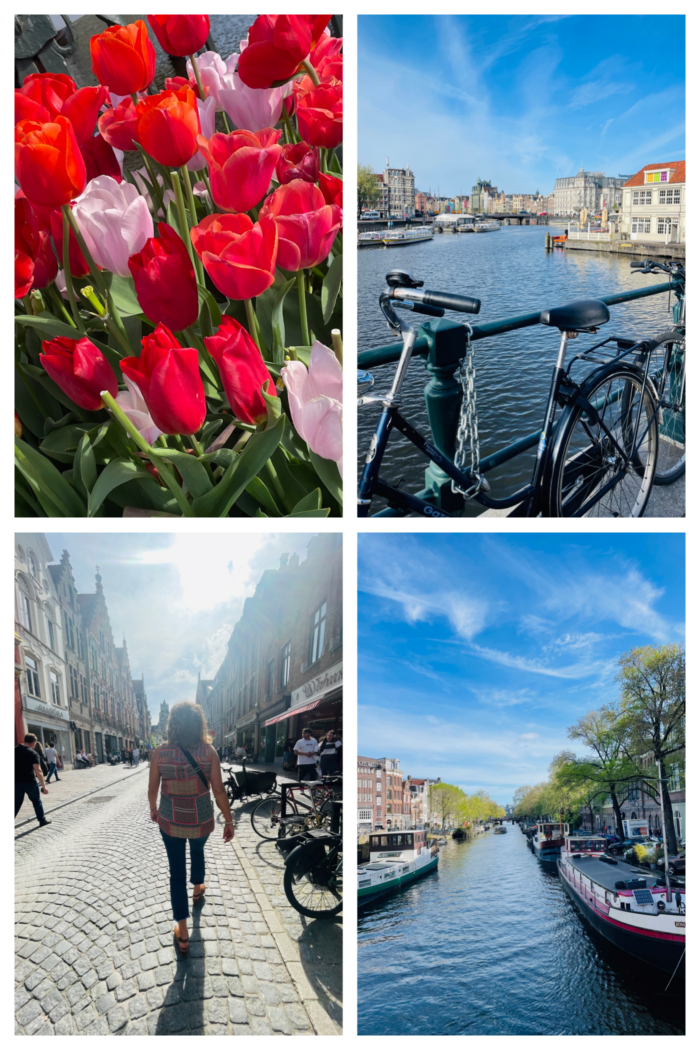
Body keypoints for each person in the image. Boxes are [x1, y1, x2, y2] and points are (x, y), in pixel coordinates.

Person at [148, 701, 234, 957]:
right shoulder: (209, 752)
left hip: (171, 819)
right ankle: (198, 889)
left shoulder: (159, 753)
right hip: (201, 819)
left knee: (176, 872)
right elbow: (218, 790)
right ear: (200, 724)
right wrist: (228, 821)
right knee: (197, 851)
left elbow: (153, 788)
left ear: (172, 724)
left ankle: (182, 932)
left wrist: (153, 808)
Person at [15, 733, 51, 826]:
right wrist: (44, 786)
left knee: (16, 803)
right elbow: (38, 771)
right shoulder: (33, 753)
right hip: (30, 782)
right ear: (34, 743)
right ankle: (42, 820)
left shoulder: (14, 750)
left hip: (16, 782)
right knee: (36, 801)